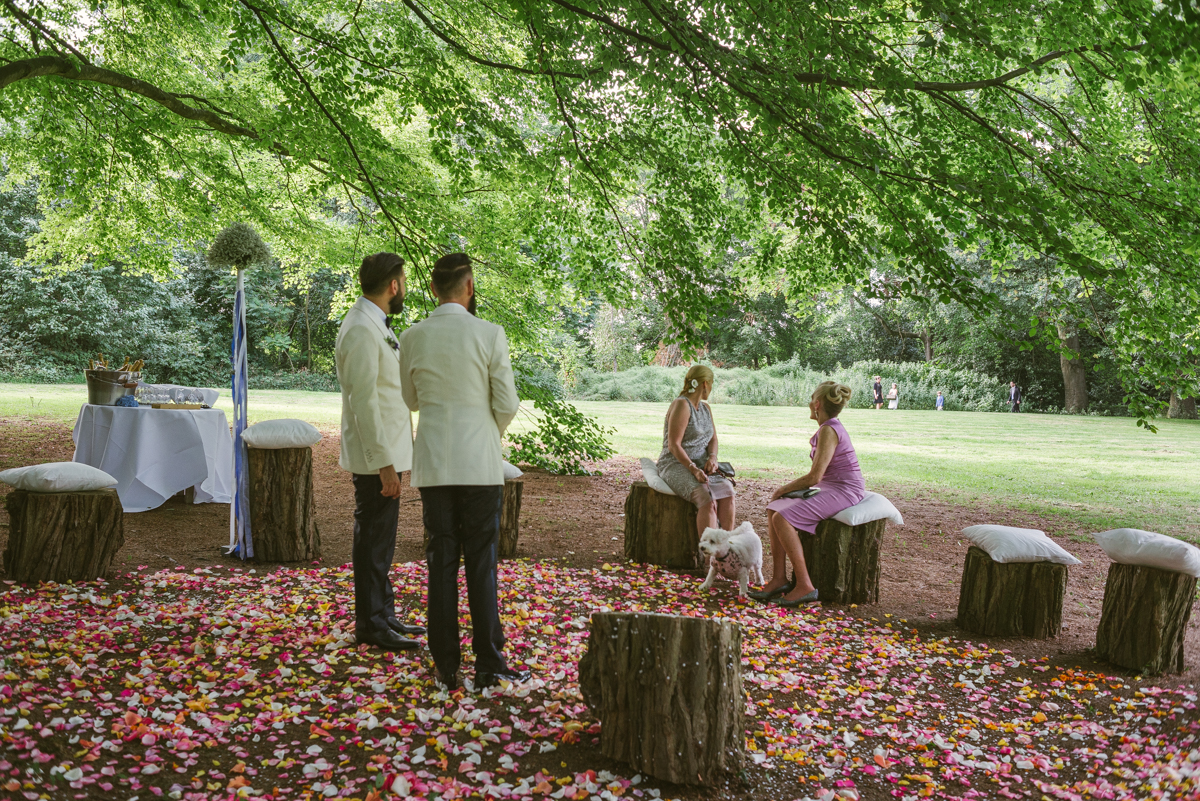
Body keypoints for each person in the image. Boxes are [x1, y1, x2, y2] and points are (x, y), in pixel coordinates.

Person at [398, 252, 528, 692]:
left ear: (434, 289)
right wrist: (487, 432)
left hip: (434, 463)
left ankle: (445, 665)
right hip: (480, 464)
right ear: (469, 287)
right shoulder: (490, 334)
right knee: (482, 564)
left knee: (440, 563)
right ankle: (489, 663)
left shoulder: (412, 336)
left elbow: (411, 400)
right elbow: (507, 403)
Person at [335, 252, 425, 652]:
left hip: (389, 455)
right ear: (393, 285)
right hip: (378, 459)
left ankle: (383, 613)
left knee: (382, 539)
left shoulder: (374, 324)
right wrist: (384, 463)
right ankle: (370, 623)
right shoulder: (359, 328)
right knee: (372, 539)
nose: (404, 286)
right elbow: (363, 401)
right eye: (402, 280)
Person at [749, 381, 866, 607]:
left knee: (781, 517)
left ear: (818, 404)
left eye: (812, 397)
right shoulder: (828, 427)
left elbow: (814, 477)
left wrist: (781, 489)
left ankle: (805, 585)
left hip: (845, 490)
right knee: (774, 508)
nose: (809, 402)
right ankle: (780, 578)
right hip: (832, 486)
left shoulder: (829, 430)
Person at [656, 365, 736, 540]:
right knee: (706, 498)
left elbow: (713, 439)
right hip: (675, 463)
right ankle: (708, 558)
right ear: (705, 384)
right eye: (712, 384)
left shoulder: (706, 408)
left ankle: (725, 549)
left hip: (701, 463)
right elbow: (674, 445)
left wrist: (712, 458)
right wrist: (693, 469)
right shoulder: (681, 405)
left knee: (728, 491)